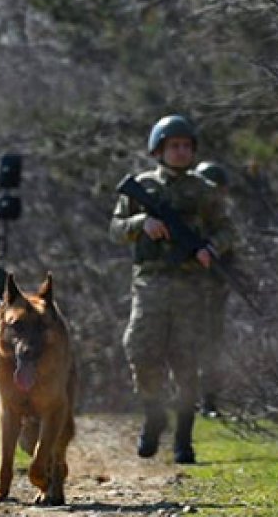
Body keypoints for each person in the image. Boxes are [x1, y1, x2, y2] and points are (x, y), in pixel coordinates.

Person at [109, 115, 232, 465]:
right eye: (173, 146)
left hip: (192, 285)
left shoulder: (204, 191)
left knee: (186, 361)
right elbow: (115, 228)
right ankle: (154, 414)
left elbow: (227, 230)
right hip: (150, 282)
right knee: (140, 350)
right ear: (159, 150)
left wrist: (212, 249)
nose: (180, 152)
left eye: (185, 146)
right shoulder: (143, 187)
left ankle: (183, 439)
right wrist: (140, 224)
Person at [191, 160, 232, 418]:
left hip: (213, 291)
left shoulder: (221, 223)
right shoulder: (190, 219)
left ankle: (209, 401)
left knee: (211, 346)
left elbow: (231, 250)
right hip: (185, 289)